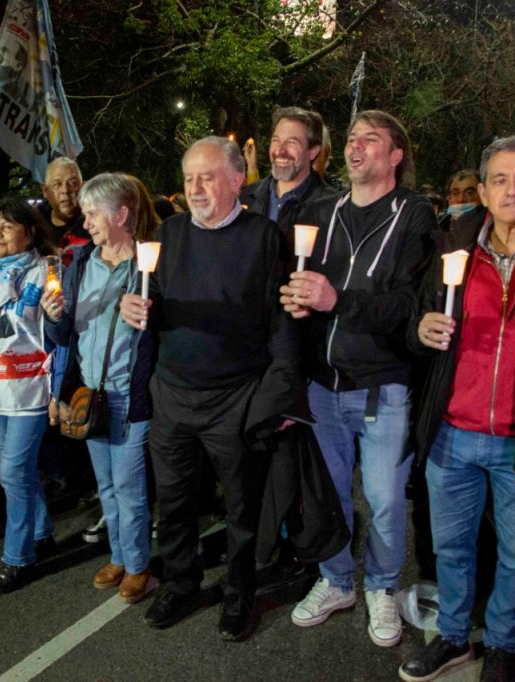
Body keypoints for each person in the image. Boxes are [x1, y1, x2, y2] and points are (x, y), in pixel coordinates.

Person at [121, 136, 302, 642]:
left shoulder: (265, 237)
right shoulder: (167, 235)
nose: (195, 188)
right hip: (174, 395)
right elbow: (144, 296)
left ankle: (240, 593)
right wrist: (130, 307)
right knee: (175, 502)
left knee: (242, 506)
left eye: (207, 176)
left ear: (237, 178)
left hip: (236, 397)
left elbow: (280, 320)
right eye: (188, 178)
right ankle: (180, 583)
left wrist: (281, 394)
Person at [399, 136, 515, 682]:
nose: (512, 190)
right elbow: (415, 323)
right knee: (451, 548)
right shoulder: (452, 249)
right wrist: (419, 331)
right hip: (453, 433)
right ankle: (451, 636)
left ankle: (501, 643)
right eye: (500, 179)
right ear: (484, 191)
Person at [280, 110, 435, 648]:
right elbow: (300, 284)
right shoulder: (322, 209)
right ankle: (338, 580)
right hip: (323, 385)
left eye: (371, 140)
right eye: (351, 139)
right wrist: (296, 302)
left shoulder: (414, 215)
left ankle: (384, 587)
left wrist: (335, 300)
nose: (355, 148)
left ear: (395, 156)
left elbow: (406, 307)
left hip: (382, 385)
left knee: (387, 499)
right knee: (327, 495)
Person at [45, 173, 159, 604]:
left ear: (122, 214)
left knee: (130, 488)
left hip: (127, 397)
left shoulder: (148, 264)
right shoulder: (79, 265)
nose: (85, 219)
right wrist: (54, 316)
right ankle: (119, 554)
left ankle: (137, 565)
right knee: (107, 485)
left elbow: (162, 330)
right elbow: (62, 340)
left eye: (93, 212)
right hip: (87, 395)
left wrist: (151, 309)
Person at [0, 196, 58, 592]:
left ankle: (17, 557)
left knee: (13, 472)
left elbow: (16, 323)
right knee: (16, 469)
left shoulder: (43, 271)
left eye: (7, 226)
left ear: (30, 231)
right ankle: (41, 530)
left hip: (28, 387)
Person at [240, 107, 336, 243]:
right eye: (276, 140)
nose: (280, 150)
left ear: (313, 151)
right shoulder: (246, 198)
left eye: (292, 142)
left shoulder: (332, 208)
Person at [40, 157, 91, 253]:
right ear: (45, 190)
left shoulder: (96, 227)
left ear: (83, 187)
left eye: (72, 183)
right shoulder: (31, 227)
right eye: (57, 184)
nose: (65, 190)